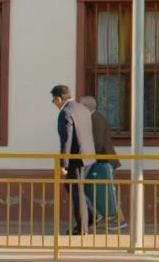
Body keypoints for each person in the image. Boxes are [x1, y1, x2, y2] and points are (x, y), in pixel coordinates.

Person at [51, 85, 95, 235]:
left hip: (76, 159)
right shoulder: (82, 109)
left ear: (59, 99)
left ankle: (81, 228)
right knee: (72, 187)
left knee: (76, 191)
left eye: (53, 100)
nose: (54, 104)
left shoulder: (65, 113)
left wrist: (63, 163)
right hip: (88, 157)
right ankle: (92, 215)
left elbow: (66, 140)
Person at [80, 96, 127, 230]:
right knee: (98, 191)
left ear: (87, 107)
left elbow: (97, 143)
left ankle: (118, 220)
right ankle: (100, 216)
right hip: (98, 162)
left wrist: (86, 158)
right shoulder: (93, 118)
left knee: (107, 193)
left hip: (102, 162)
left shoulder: (97, 120)